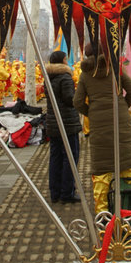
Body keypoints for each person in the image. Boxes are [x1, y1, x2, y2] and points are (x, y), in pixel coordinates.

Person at [73, 41, 131, 214]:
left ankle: (102, 216)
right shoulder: (116, 69)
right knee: (127, 164)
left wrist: (92, 113)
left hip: (98, 124)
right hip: (121, 120)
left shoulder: (85, 74)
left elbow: (77, 102)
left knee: (102, 170)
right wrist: (122, 106)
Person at [45, 50, 82, 204]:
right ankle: (67, 192)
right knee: (70, 157)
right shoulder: (65, 78)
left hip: (53, 122)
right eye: (66, 59)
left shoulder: (48, 77)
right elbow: (69, 99)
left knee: (55, 157)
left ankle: (55, 192)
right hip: (67, 122)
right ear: (62, 61)